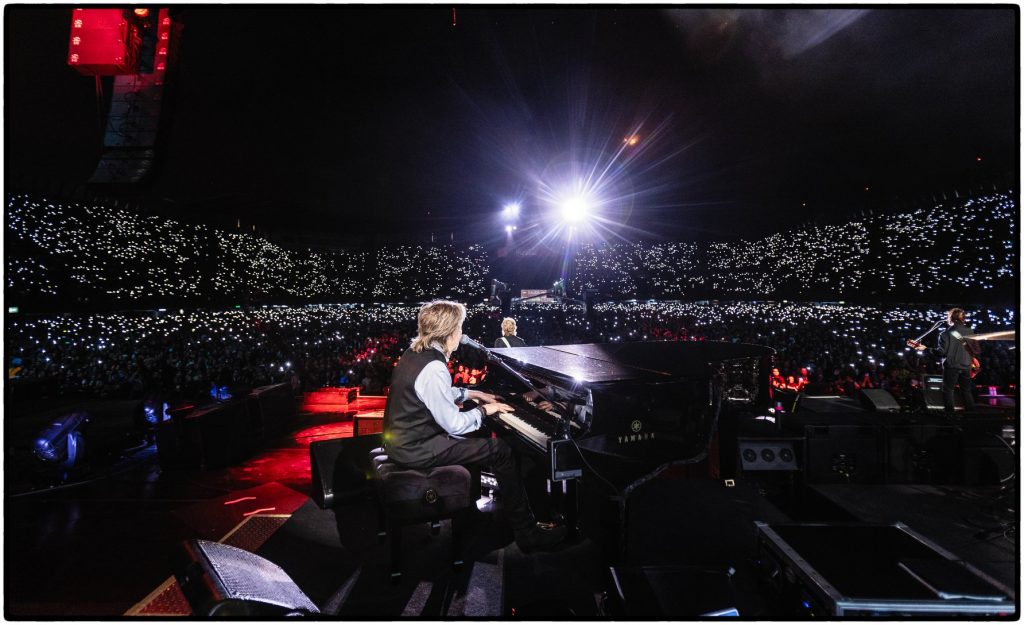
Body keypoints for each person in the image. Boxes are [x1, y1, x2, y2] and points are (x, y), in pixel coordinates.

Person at [383, 300, 566, 551]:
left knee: (480, 436)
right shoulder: (434, 367)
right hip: (417, 448)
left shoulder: (415, 353)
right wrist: (485, 410)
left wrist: (474, 395)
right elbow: (455, 425)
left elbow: (439, 393)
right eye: (460, 327)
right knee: (500, 449)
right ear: (450, 330)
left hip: (405, 441)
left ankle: (470, 511)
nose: (462, 333)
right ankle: (527, 533)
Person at [915, 308, 978, 413]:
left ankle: (950, 414)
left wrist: (926, 349)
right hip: (967, 365)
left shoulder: (945, 334)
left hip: (952, 365)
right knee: (966, 391)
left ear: (950, 318)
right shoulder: (970, 331)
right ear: (963, 319)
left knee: (948, 390)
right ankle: (971, 415)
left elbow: (942, 352)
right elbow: (975, 350)